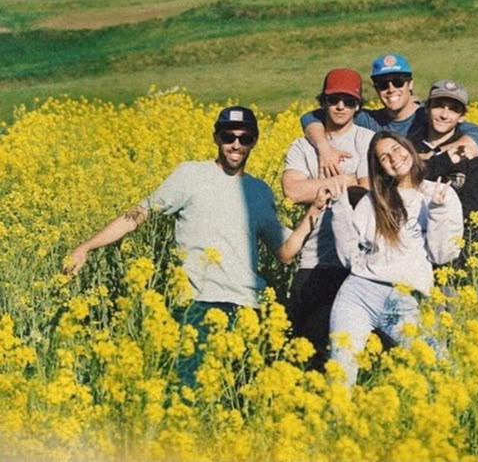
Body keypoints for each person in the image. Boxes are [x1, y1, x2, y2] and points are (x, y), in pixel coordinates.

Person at [64, 105, 331, 385]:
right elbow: (137, 215)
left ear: (254, 141)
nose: (236, 145)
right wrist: (86, 247)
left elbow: (286, 253)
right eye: (229, 137)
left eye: (245, 138)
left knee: (238, 400)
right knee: (189, 396)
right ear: (216, 138)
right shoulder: (189, 175)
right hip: (197, 305)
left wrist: (314, 210)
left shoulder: (259, 190)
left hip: (248, 309)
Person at [328, 132, 463, 386]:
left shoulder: (439, 193)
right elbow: (349, 258)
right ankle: (334, 425)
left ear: (408, 147)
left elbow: (442, 254)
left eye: (396, 149)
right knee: (340, 374)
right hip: (358, 293)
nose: (394, 158)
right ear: (380, 167)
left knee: (441, 370)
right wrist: (340, 208)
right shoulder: (372, 202)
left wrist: (438, 211)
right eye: (384, 157)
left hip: (404, 297)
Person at [282, 68, 372, 370]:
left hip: (359, 265)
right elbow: (292, 191)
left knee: (349, 356)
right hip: (313, 263)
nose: (341, 107)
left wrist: (332, 184)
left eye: (348, 101)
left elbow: (370, 189)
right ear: (323, 102)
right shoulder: (302, 146)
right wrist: (349, 180)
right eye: (334, 100)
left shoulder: (369, 140)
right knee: (304, 354)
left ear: (358, 106)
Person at [300, 53, 478, 177]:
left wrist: (429, 158)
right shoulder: (369, 120)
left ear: (410, 84)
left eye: (398, 82)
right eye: (384, 85)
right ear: (376, 89)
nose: (391, 89)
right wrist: (323, 148)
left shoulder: (430, 115)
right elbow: (312, 117)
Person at [409, 79, 478, 242]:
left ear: (462, 117)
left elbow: (473, 213)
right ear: (427, 108)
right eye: (439, 106)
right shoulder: (407, 148)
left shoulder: (473, 155)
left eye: (453, 110)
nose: (444, 115)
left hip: (454, 241)